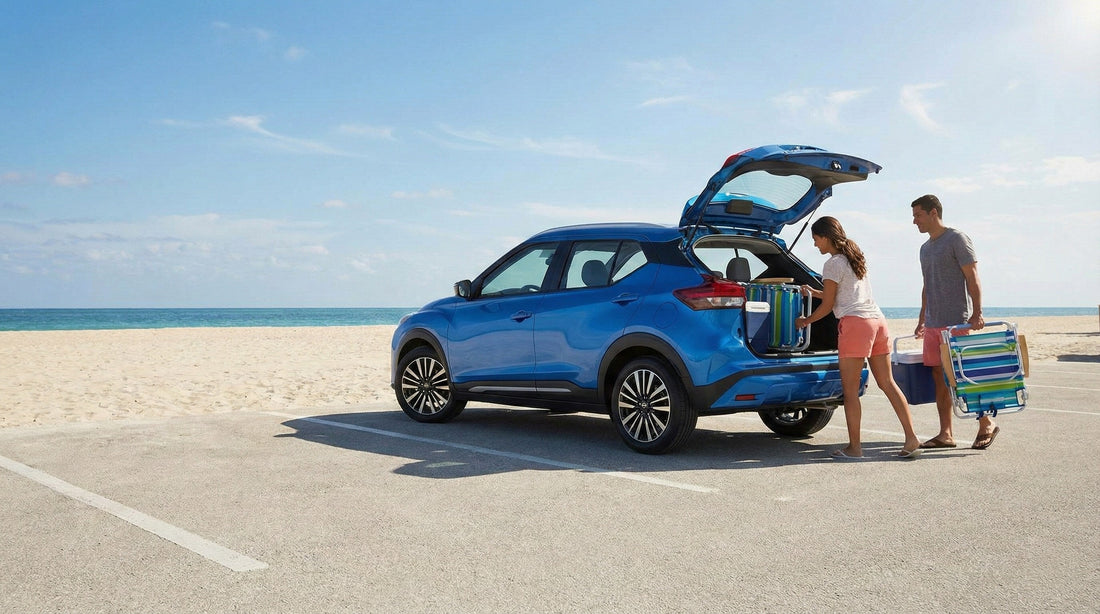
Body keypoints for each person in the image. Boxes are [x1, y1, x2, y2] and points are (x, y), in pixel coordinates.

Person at [794, 216, 922, 459]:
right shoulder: (855, 257)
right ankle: (911, 437)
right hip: (878, 322)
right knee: (888, 383)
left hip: (855, 325)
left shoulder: (832, 263)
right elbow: (844, 294)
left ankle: (854, 448)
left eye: (816, 239)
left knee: (850, 392)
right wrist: (814, 292)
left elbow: (832, 304)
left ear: (826, 237)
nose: (815, 245)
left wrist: (805, 321)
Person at [910, 194, 997, 450]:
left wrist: (977, 312)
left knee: (963, 376)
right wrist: (922, 317)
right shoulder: (925, 248)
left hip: (956, 322)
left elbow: (972, 277)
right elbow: (927, 285)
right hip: (933, 323)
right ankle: (945, 433)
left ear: (934, 212)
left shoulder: (957, 239)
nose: (915, 221)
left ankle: (986, 424)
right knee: (940, 378)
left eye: (918, 215)